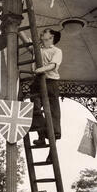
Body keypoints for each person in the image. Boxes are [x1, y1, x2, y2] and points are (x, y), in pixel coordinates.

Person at [30, 28, 62, 157]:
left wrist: (40, 70)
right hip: (37, 82)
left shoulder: (57, 51)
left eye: (46, 32)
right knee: (35, 109)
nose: (43, 33)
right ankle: (41, 136)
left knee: (53, 114)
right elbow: (27, 41)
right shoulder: (39, 49)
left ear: (51, 37)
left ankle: (52, 152)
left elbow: (53, 65)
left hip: (50, 83)